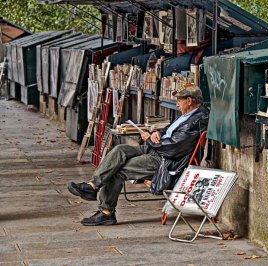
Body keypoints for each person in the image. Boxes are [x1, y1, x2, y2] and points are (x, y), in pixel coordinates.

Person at [67, 86, 209, 226]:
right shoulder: (186, 115)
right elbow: (169, 130)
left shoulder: (197, 119)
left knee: (117, 170)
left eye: (179, 100)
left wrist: (148, 139)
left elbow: (173, 148)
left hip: (166, 160)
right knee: (120, 150)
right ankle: (92, 186)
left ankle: (106, 212)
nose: (177, 103)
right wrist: (157, 133)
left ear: (189, 101)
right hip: (157, 149)